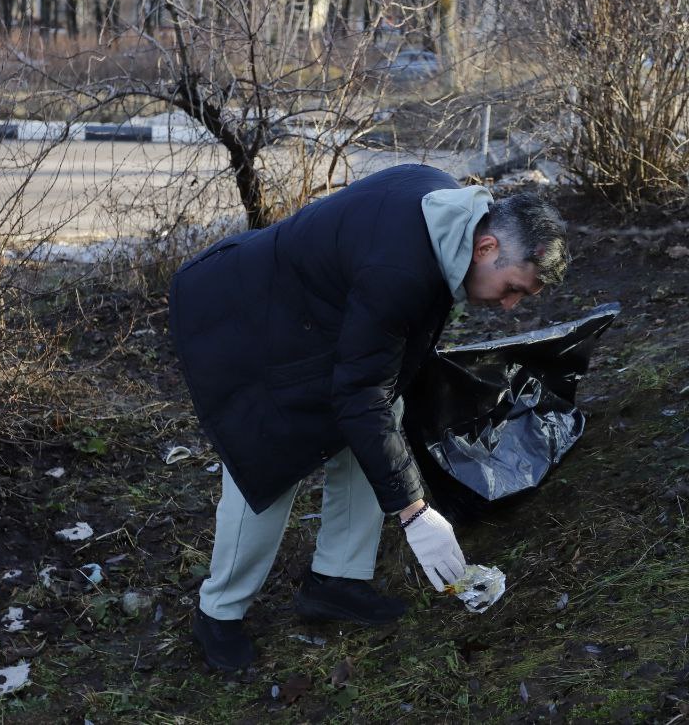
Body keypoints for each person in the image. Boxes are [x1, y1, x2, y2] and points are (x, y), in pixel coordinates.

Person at [168, 164, 567, 671]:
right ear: (487, 247)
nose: (510, 306)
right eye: (514, 288)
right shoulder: (401, 270)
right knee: (267, 456)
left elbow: (376, 376)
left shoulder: (449, 211)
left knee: (381, 418)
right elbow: (361, 391)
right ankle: (218, 615)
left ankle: (335, 580)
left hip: (312, 314)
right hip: (237, 319)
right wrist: (415, 513)